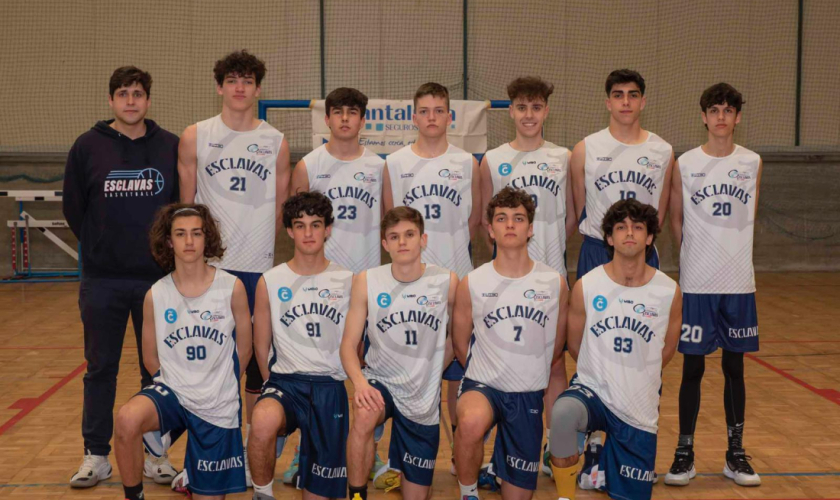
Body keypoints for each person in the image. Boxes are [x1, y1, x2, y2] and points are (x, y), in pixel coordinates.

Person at [178, 49, 291, 485]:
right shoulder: (196, 135)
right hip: (211, 269)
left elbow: (282, 210)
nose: (239, 88)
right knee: (208, 363)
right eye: (232, 80)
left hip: (258, 268)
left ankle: (248, 451)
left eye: (247, 81)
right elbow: (186, 208)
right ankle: (201, 457)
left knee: (256, 367)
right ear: (219, 86)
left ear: (258, 89)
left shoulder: (276, 141)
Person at [63, 65, 180, 488]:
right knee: (100, 369)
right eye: (123, 94)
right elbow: (74, 208)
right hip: (103, 280)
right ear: (111, 100)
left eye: (138, 93)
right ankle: (96, 455)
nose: (131, 101)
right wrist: (101, 246)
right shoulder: (87, 146)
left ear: (148, 100)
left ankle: (156, 454)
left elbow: (179, 205)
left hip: (157, 281)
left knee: (158, 371)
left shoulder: (169, 146)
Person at [113, 203, 253, 500]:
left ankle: (188, 468)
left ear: (206, 238)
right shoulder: (156, 294)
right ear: (169, 241)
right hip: (173, 394)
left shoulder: (232, 287)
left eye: (196, 233)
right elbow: (150, 357)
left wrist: (219, 384)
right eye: (180, 234)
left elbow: (245, 348)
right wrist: (183, 388)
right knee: (126, 419)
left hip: (217, 402)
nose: (189, 241)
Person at [548, 199, 681, 500]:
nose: (629, 233)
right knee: (563, 414)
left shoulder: (668, 292)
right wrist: (602, 369)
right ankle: (565, 496)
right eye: (621, 227)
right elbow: (575, 345)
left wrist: (633, 372)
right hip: (593, 390)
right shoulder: (587, 286)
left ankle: (603, 459)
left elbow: (665, 352)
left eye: (638, 227)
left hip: (637, 405)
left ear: (649, 237)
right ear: (609, 238)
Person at [664, 83, 763, 488]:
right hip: (698, 283)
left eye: (728, 110)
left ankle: (735, 453)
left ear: (738, 117)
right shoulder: (685, 163)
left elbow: (749, 217)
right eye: (714, 110)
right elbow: (676, 221)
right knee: (692, 368)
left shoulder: (752, 162)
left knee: (734, 368)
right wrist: (693, 259)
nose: (721, 117)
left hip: (738, 283)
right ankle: (684, 453)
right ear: (703, 117)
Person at [480, 76, 575, 477]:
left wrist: (547, 254)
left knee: (554, 365)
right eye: (521, 107)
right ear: (511, 112)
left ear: (546, 111)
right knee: (502, 363)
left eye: (536, 107)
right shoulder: (492, 159)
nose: (529, 115)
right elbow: (486, 221)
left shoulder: (564, 157)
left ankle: (556, 448)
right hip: (505, 281)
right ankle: (501, 452)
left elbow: (571, 216)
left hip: (550, 276)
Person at [382, 82, 481, 463]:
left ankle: (459, 454)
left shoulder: (467, 163)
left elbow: (473, 221)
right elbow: (391, 222)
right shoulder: (395, 163)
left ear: (450, 116)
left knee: (456, 373)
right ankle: (396, 453)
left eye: (439, 110)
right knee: (406, 370)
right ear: (413, 117)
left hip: (455, 278)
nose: (432, 117)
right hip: (410, 284)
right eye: (424, 111)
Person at [453, 187, 568, 500]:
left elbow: (557, 345)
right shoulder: (472, 282)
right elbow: (461, 344)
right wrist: (491, 370)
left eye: (518, 218)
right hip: (484, 385)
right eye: (501, 218)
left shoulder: (554, 283)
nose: (510, 225)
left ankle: (496, 468)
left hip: (527, 393)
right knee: (471, 422)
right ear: (491, 230)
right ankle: (468, 493)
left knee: (517, 496)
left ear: (530, 229)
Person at [341, 206, 458, 500]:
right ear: (385, 244)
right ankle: (356, 496)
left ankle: (399, 472)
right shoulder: (367, 280)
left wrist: (434, 368)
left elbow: (457, 337)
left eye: (409, 234)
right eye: (394, 237)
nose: (402, 242)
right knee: (364, 413)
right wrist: (361, 384)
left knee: (416, 496)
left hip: (422, 394)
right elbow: (348, 345)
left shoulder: (446, 282)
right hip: (381, 381)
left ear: (423, 239)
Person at [247, 192, 354, 500]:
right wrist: (271, 383)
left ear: (328, 229)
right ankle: (262, 494)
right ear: (290, 231)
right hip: (287, 384)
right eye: (300, 225)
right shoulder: (270, 280)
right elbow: (261, 344)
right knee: (262, 419)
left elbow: (356, 342)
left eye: (316, 224)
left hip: (329, 387)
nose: (308, 233)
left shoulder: (348, 280)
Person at [571, 69, 674, 279]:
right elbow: (581, 209)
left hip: (642, 252)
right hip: (597, 250)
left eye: (632, 95)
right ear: (608, 103)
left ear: (642, 102)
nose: (626, 102)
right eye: (618, 95)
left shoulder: (663, 151)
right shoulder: (585, 149)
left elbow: (659, 216)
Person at [290, 87, 385, 274]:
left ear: (362, 121)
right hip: (320, 274)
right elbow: (297, 226)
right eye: (338, 112)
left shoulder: (379, 167)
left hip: (366, 272)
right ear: (327, 120)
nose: (345, 118)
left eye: (352, 112)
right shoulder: (307, 166)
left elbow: (387, 221)